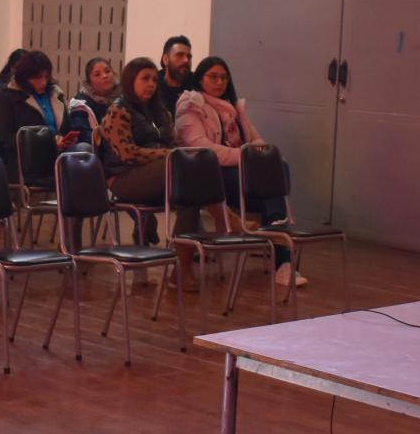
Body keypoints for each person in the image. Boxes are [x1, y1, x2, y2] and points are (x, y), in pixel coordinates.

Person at [173, 56, 297, 290]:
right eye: (213, 77)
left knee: (278, 169)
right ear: (200, 79)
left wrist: (264, 156)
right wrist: (247, 157)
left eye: (224, 77)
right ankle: (282, 251)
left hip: (240, 174)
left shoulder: (233, 108)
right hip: (212, 177)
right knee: (272, 183)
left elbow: (256, 139)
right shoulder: (190, 105)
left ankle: (283, 262)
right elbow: (202, 150)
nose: (219, 82)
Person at [98, 56, 194, 285]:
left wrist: (177, 154)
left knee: (192, 192)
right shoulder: (118, 110)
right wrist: (167, 155)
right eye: (145, 79)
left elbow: (174, 145)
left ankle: (182, 269)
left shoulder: (161, 112)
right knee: (182, 165)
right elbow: (127, 154)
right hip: (123, 178)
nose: (151, 84)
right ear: (131, 80)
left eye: (153, 79)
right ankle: (227, 220)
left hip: (158, 174)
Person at [0, 50, 91, 174]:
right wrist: (47, 142)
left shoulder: (54, 95)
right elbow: (4, 137)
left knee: (84, 151)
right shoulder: (7, 97)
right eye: (37, 78)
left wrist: (65, 139)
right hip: (27, 158)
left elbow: (66, 127)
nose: (43, 82)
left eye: (46, 77)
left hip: (57, 153)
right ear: (24, 77)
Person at [76, 56, 120, 123]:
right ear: (89, 83)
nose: (104, 76)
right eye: (97, 74)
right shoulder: (81, 104)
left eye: (107, 71)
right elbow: (83, 132)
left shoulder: (125, 97)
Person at [156, 35, 193, 114]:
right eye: (179, 55)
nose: (186, 60)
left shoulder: (197, 85)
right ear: (165, 59)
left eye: (189, 57)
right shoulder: (153, 84)